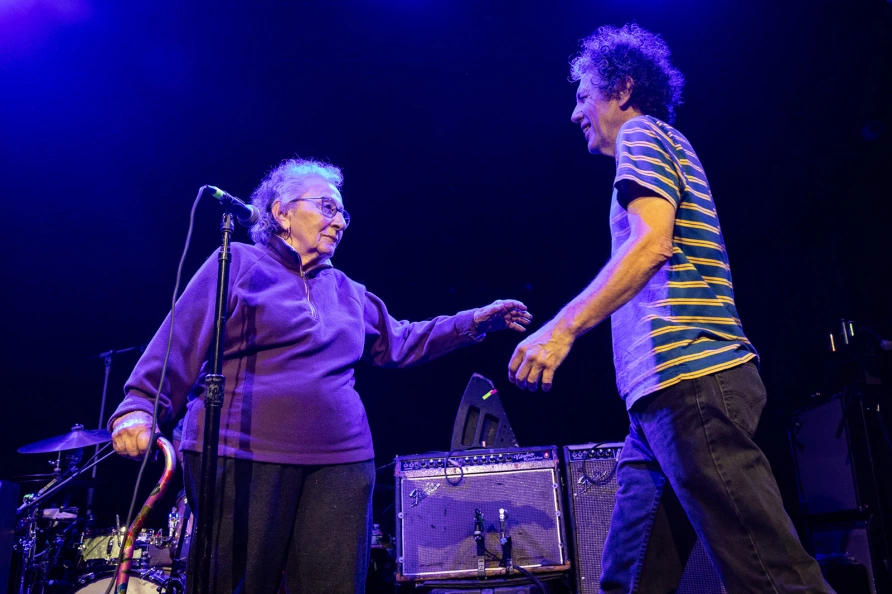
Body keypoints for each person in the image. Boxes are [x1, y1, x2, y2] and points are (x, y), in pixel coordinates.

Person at [108, 157, 532, 594]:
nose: (340, 222)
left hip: (341, 461)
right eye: (328, 208)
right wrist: (139, 406)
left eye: (344, 213)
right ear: (281, 213)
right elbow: (177, 342)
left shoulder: (347, 290)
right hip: (242, 453)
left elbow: (402, 340)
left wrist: (473, 322)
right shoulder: (236, 264)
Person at [508, 24, 833, 593]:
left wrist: (563, 328)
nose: (574, 112)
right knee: (625, 578)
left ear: (623, 90)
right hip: (657, 400)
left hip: (694, 382)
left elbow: (651, 244)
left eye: (584, 95)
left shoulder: (642, 134)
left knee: (770, 576)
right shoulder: (652, 142)